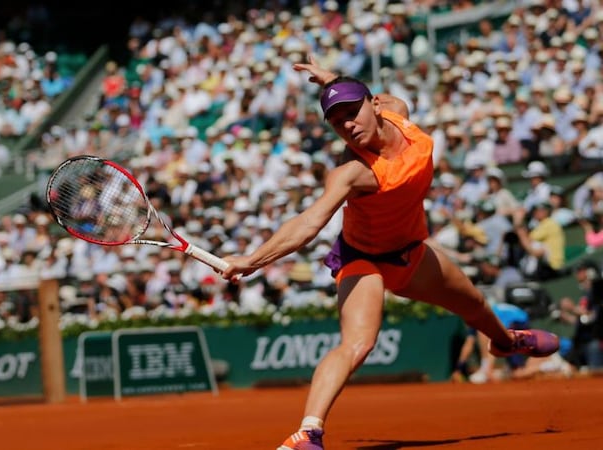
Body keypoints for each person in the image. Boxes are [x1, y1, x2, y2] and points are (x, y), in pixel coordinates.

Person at [220, 57, 560, 450]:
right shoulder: (352, 173)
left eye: (353, 111)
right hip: (361, 258)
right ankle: (308, 432)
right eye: (337, 120)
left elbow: (375, 98)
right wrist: (253, 259)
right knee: (358, 343)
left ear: (375, 105)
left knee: (475, 305)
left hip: (411, 251)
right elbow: (309, 223)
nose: (347, 124)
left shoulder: (398, 113)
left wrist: (333, 79)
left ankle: (506, 342)